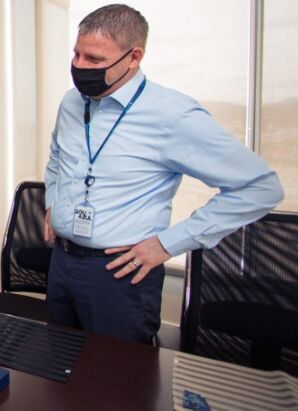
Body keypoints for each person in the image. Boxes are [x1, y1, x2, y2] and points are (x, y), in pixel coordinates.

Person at [44, 4, 284, 343]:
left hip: (119, 274)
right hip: (62, 262)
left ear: (133, 57)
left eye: (94, 60)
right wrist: (52, 200)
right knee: (59, 369)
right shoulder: (72, 102)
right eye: (76, 54)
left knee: (116, 386)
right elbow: (57, 155)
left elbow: (260, 188)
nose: (79, 67)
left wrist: (167, 244)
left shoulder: (172, 114)